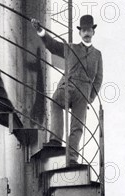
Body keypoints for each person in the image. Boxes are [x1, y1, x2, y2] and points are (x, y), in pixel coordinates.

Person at [31, 14, 103, 164]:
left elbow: (98, 79)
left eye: (89, 30)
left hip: (84, 91)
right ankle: (56, 140)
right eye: (84, 30)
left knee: (77, 126)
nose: (87, 33)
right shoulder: (71, 47)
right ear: (80, 33)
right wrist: (40, 31)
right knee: (56, 101)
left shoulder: (97, 55)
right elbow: (52, 45)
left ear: (93, 32)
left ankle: (71, 158)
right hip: (68, 85)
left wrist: (90, 98)